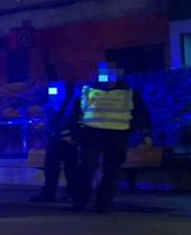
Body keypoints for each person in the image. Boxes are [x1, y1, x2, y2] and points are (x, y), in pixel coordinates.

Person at [65, 62, 153, 213]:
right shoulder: (88, 91)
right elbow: (75, 114)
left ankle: (103, 204)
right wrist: (71, 133)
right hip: (92, 134)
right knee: (87, 167)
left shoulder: (129, 93)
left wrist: (145, 134)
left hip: (117, 135)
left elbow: (140, 114)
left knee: (111, 170)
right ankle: (81, 203)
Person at [28, 82, 78, 203]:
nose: (53, 94)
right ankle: (51, 193)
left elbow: (72, 121)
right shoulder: (52, 106)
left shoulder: (71, 104)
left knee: (70, 169)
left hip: (68, 140)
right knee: (52, 168)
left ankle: (72, 193)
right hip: (56, 139)